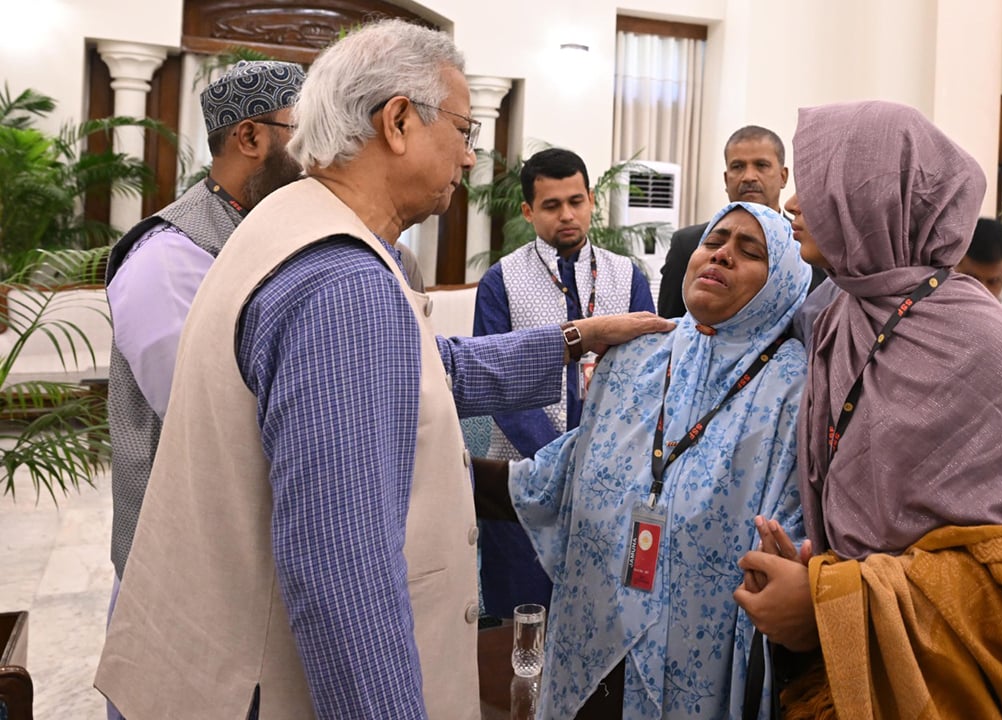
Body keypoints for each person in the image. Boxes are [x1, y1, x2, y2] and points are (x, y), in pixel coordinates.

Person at [95, 20, 671, 719]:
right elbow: (344, 580)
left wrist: (572, 339)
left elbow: (420, 368)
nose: (468, 159)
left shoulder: (296, 227)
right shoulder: (342, 283)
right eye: (463, 130)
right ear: (397, 121)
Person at [734, 101, 1002, 719]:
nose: (792, 203)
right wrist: (817, 560)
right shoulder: (841, 315)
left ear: (874, 199)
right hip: (842, 661)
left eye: (818, 184)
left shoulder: (979, 340)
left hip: (944, 680)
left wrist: (826, 599)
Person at [482, 201, 811, 719]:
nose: (722, 255)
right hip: (592, 635)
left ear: (783, 284)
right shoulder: (638, 352)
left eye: (750, 252)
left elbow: (789, 529)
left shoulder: (795, 386)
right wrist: (434, 467)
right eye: (714, 241)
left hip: (697, 653)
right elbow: (563, 475)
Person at [105, 59, 305, 585]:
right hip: (177, 566)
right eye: (304, 131)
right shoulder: (168, 257)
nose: (320, 152)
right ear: (250, 136)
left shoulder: (266, 231)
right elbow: (208, 417)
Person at [473, 147, 654, 617]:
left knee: (598, 619)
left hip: (608, 484)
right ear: (528, 211)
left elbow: (647, 376)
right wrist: (559, 463)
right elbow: (498, 386)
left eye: (576, 201)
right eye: (552, 206)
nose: (567, 215)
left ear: (592, 200)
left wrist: (596, 462)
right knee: (521, 620)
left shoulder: (626, 276)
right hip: (522, 477)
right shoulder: (502, 281)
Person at [658, 125, 824, 318]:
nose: (749, 177)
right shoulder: (687, 245)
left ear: (783, 176)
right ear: (726, 179)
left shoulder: (810, 246)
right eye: (738, 167)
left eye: (761, 165)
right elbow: (669, 325)